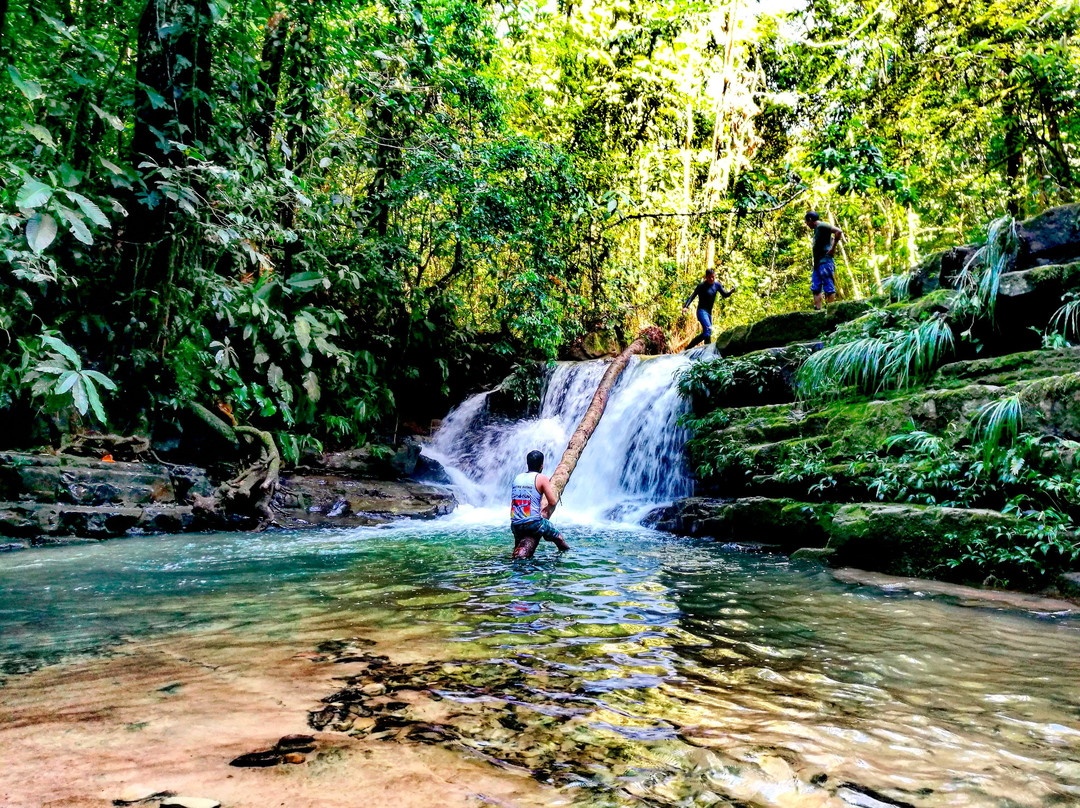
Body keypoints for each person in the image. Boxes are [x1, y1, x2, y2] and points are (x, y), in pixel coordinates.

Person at [510, 450, 569, 559]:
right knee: (558, 538)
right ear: (542, 465)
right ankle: (568, 555)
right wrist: (543, 514)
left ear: (527, 464)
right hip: (533, 524)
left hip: (515, 525)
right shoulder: (541, 478)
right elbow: (552, 502)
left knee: (518, 548)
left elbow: (513, 503)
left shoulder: (517, 478)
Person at [682, 268, 736, 350]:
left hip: (709, 313)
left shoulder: (717, 285)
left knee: (708, 334)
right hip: (701, 311)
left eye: (713, 277)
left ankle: (706, 352)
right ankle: (688, 348)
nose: (712, 279)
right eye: (709, 277)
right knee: (707, 330)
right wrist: (686, 307)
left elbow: (724, 295)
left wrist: (730, 292)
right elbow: (692, 296)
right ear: (706, 277)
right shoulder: (701, 286)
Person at [805, 211, 844, 310]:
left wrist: (833, 248)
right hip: (818, 263)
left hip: (825, 261)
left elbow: (838, 231)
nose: (806, 224)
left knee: (828, 284)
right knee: (816, 286)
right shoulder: (817, 230)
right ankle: (818, 309)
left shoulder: (822, 226)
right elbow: (830, 238)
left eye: (807, 222)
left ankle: (830, 309)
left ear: (810, 220)